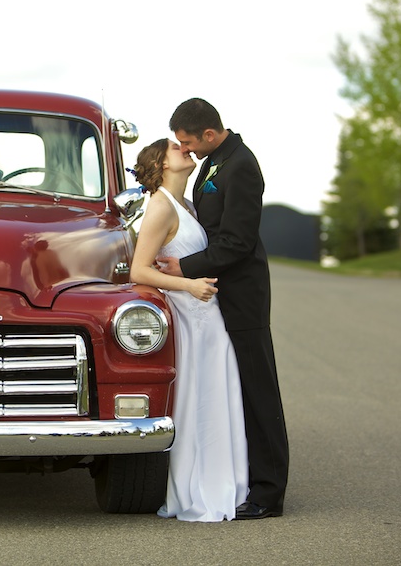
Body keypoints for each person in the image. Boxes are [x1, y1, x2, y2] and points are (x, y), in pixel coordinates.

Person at [156, 97, 289, 520]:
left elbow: (238, 241)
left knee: (257, 392)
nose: (186, 149)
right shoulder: (216, 161)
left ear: (210, 134)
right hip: (215, 294)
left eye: (189, 141)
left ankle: (269, 494)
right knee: (235, 391)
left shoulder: (242, 166)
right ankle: (241, 478)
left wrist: (185, 266)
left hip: (242, 295)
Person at [129, 138, 248, 522]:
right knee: (199, 400)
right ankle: (199, 489)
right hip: (190, 315)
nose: (185, 148)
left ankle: (225, 482)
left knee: (217, 397)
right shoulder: (160, 207)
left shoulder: (187, 205)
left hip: (209, 318)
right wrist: (190, 285)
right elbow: (139, 269)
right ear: (161, 164)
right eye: (174, 147)